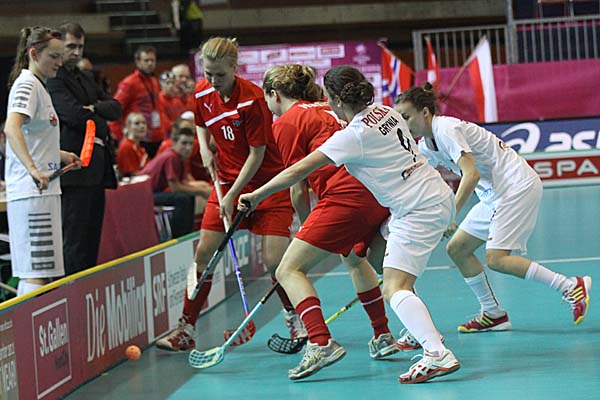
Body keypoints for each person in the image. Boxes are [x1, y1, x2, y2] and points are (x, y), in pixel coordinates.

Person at [239, 66, 460, 384]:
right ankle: (411, 334)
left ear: (337, 100)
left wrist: (256, 195)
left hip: (416, 208)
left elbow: (297, 173)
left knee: (391, 286)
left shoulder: (352, 137)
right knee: (373, 262)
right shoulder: (386, 111)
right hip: (430, 196)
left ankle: (434, 353)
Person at [394, 83, 592, 333]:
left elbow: (471, 175)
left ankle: (570, 286)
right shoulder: (426, 145)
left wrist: (450, 215)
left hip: (515, 187)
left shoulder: (446, 129)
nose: (403, 124)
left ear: (424, 112)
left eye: (406, 117)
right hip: (493, 195)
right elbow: (424, 182)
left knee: (497, 258)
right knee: (458, 249)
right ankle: (493, 313)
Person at [155, 37, 298, 352]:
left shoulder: (252, 100)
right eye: (208, 73)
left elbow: (257, 154)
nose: (213, 80)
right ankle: (185, 328)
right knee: (203, 256)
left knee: (276, 262)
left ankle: (295, 319)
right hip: (227, 183)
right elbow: (201, 122)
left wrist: (232, 195)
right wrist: (205, 148)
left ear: (234, 67)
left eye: (220, 74)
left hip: (267, 186)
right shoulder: (202, 91)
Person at [261, 64, 399, 366]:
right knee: (354, 260)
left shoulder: (286, 122)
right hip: (375, 191)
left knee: (288, 269)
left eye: (266, 98)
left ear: (274, 95)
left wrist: (307, 228)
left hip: (345, 196)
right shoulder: (327, 106)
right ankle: (382, 334)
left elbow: (298, 188)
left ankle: (320, 342)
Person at [4, 27, 80, 295]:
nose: (60, 63)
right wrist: (33, 169)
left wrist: (61, 155)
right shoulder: (27, 85)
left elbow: (34, 139)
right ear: (34, 54)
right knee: (35, 274)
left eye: (61, 56)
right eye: (54, 56)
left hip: (44, 192)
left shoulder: (40, 86)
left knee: (44, 273)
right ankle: (24, 325)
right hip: (31, 193)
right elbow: (11, 128)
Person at [47, 22, 121, 276]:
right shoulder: (54, 80)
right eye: (71, 46)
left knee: (91, 241)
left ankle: (87, 286)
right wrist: (96, 115)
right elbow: (74, 115)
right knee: (74, 242)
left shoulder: (86, 78)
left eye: (80, 47)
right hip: (74, 172)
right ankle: (72, 290)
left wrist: (94, 109)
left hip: (97, 171)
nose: (76, 52)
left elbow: (116, 108)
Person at [141, 126, 211, 238]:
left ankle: (188, 232)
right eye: (184, 143)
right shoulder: (171, 157)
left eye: (190, 144)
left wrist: (201, 189)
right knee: (182, 198)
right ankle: (179, 236)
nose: (188, 148)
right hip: (145, 195)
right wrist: (201, 191)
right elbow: (175, 188)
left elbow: (182, 183)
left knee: (189, 196)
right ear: (174, 142)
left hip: (155, 192)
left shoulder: (180, 157)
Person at [108, 46, 163, 157]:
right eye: (146, 60)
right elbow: (115, 110)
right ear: (138, 62)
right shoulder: (129, 83)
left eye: (152, 60)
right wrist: (121, 138)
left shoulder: (154, 81)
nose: (150, 63)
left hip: (156, 136)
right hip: (138, 137)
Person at [116, 112, 149, 177]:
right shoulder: (127, 146)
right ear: (128, 127)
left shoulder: (140, 148)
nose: (142, 126)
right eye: (137, 123)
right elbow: (132, 173)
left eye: (144, 123)